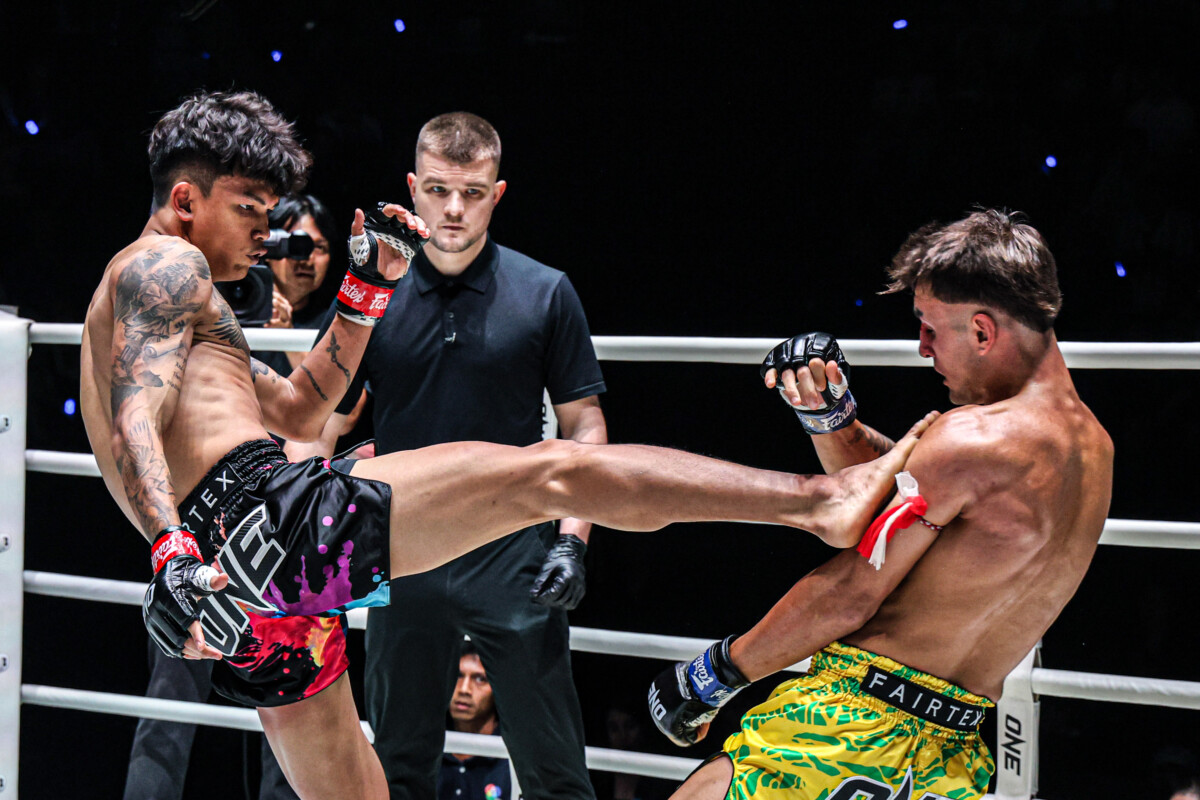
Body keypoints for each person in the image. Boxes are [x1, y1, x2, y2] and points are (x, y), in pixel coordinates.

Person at [80, 88, 927, 800]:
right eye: (248, 210)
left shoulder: (175, 303)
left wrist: (367, 290)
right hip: (261, 524)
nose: (265, 234)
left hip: (243, 584)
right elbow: (134, 414)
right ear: (186, 200)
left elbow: (301, 411)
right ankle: (818, 501)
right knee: (552, 473)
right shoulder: (165, 268)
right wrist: (170, 553)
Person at [648, 209, 1114, 800]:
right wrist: (833, 420)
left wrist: (715, 674)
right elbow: (926, 506)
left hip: (850, 724)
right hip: (951, 758)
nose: (922, 348)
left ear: (981, 332)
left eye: (930, 328)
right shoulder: (1096, 451)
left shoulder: (971, 438)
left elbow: (850, 593)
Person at [300, 111, 607, 800]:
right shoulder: (374, 293)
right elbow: (318, 418)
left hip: (514, 549)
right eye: (438, 190)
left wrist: (573, 541)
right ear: (414, 189)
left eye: (471, 193)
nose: (454, 209)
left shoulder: (545, 291)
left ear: (497, 194)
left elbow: (584, 423)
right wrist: (308, 530)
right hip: (399, 545)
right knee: (396, 769)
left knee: (556, 772)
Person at [122, 191, 342, 800]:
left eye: (315, 247)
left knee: (290, 719)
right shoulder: (204, 304)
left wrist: (290, 337)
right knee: (171, 702)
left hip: (286, 535)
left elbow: (330, 419)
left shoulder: (329, 332)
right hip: (202, 530)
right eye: (284, 244)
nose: (301, 259)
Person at [438, 641, 511, 800]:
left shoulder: (513, 754)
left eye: (480, 679)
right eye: (457, 675)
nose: (464, 689)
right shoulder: (425, 744)